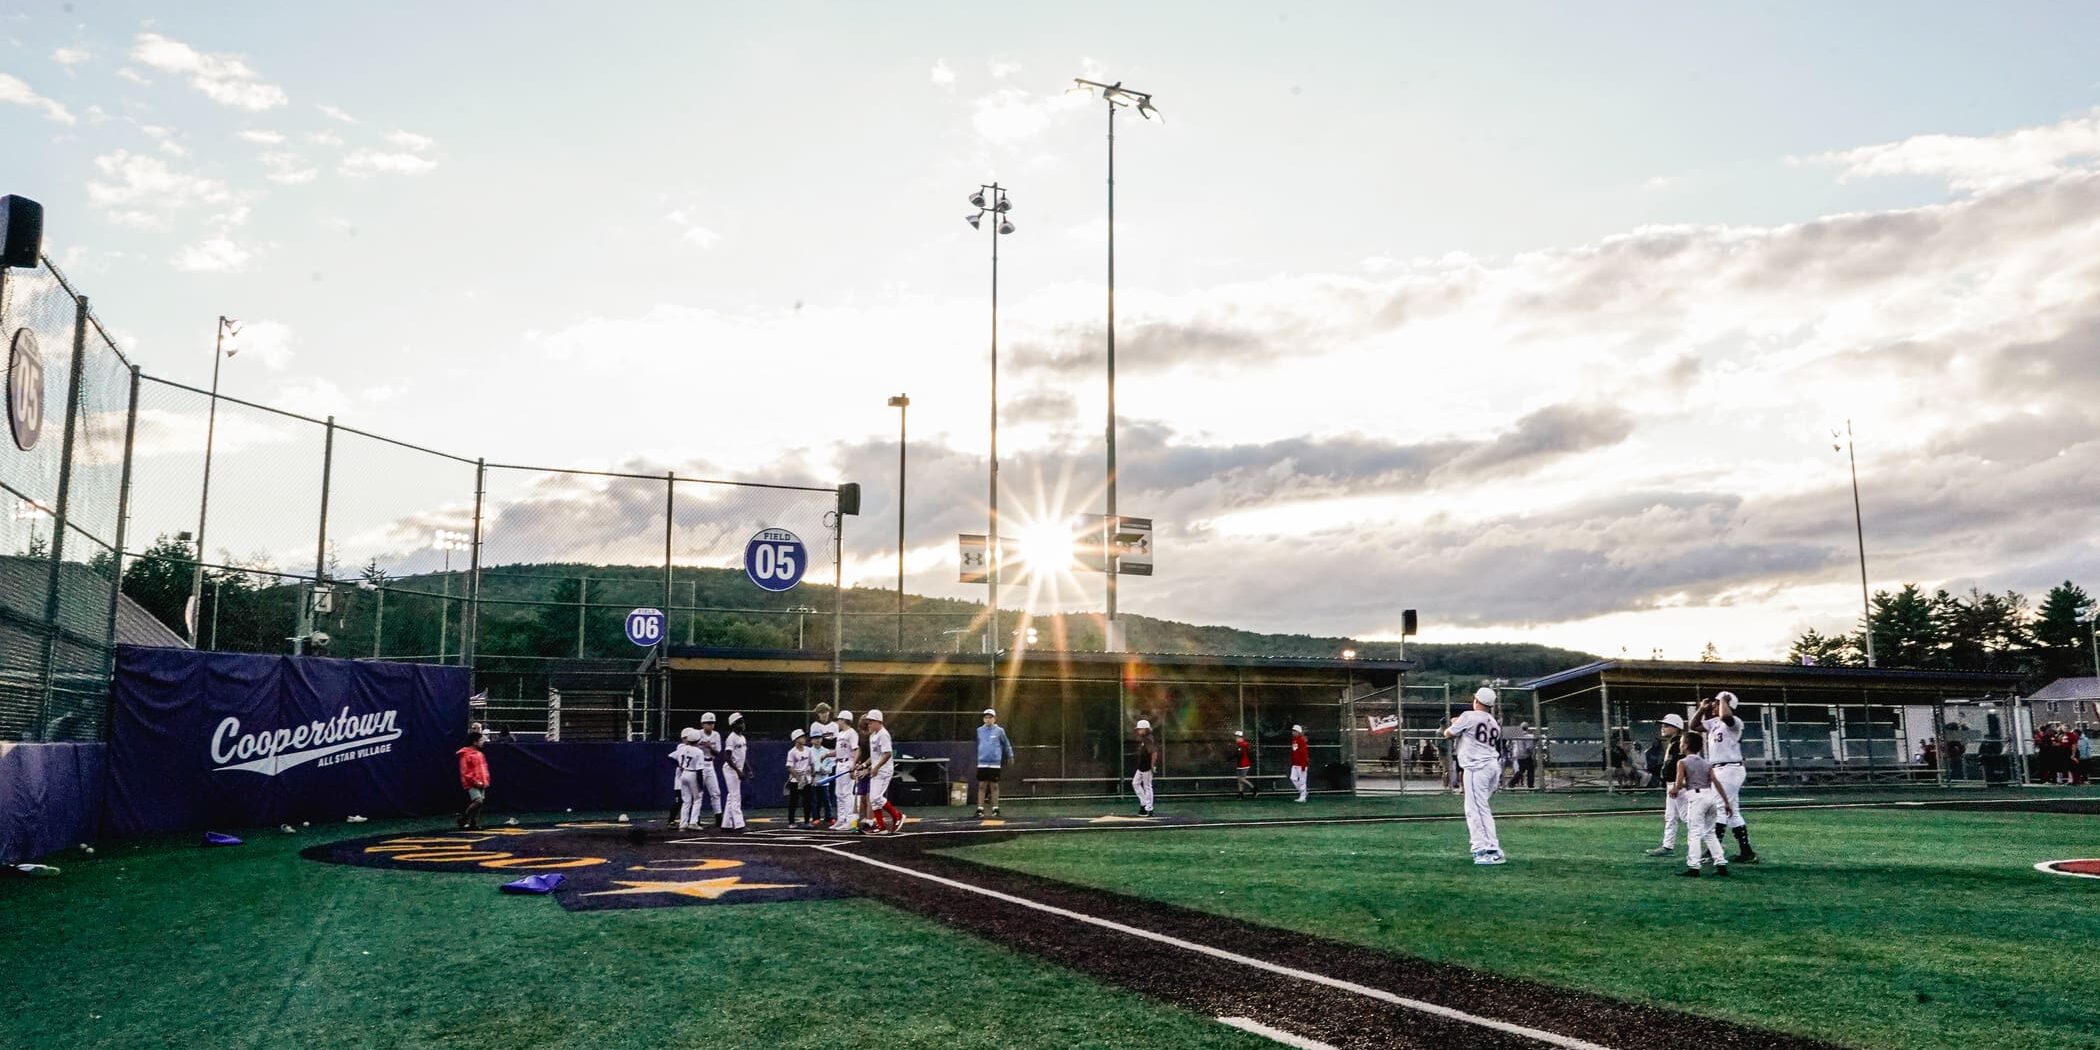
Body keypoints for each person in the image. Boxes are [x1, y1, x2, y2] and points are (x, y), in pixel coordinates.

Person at [1444, 687, 1505, 864]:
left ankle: (1484, 849)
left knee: (1475, 809)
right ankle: (1490, 847)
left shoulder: (1468, 716)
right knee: (1481, 807)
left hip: (1476, 767)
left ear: (1476, 700)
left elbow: (1448, 733)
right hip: (1492, 766)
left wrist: (1454, 722)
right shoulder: (1493, 722)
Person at [1698, 692, 1758, 863]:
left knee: (1719, 809)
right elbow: (1695, 726)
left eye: (1717, 703)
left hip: (1730, 768)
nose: (1714, 705)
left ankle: (1713, 851)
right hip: (1720, 769)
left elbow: (1726, 716)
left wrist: (1723, 699)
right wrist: (1702, 709)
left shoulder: (1735, 722)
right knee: (1733, 812)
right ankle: (1747, 852)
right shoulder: (1715, 722)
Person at [1671, 731, 1734, 878]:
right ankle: (1721, 863)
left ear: (1685, 745)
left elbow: (1679, 783)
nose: (1680, 745)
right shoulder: (1706, 763)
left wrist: (1674, 789)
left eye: (1681, 743)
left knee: (1694, 833)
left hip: (1696, 798)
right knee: (1710, 833)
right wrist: (1726, 802)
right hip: (1710, 796)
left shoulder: (1682, 762)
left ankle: (1694, 866)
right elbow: (1716, 782)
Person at [1643, 714, 1688, 857]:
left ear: (1676, 728)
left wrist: (1678, 785)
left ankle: (1712, 844)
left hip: (1678, 784)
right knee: (1671, 816)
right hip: (1672, 784)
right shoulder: (1673, 743)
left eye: (1667, 725)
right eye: (1663, 725)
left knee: (1687, 817)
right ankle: (1667, 846)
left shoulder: (1679, 743)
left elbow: (1682, 766)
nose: (1663, 728)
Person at [862, 709, 905, 834]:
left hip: (884, 770)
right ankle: (881, 826)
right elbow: (874, 756)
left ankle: (897, 815)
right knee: (873, 799)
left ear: (878, 721)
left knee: (876, 797)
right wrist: (864, 765)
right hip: (876, 770)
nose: (869, 724)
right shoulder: (873, 735)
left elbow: (887, 754)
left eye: (871, 721)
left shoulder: (883, 734)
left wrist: (876, 767)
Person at [975, 708, 1015, 818]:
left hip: (994, 762)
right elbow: (979, 744)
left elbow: (1006, 744)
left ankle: (995, 809)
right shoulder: (979, 730)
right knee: (982, 785)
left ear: (994, 719)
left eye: (990, 717)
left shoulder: (999, 731)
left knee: (994, 786)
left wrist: (1010, 755)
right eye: (986, 717)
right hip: (982, 762)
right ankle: (980, 809)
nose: (988, 719)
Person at [669, 728, 708, 831]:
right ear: (698, 740)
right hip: (693, 774)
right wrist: (701, 785)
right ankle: (693, 822)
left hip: (684, 774)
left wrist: (680, 765)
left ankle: (683, 824)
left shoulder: (682, 748)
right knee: (697, 799)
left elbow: (671, 757)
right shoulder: (699, 752)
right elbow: (699, 770)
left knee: (686, 801)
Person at [717, 713, 750, 832]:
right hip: (731, 770)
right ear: (733, 725)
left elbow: (743, 755)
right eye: (740, 722)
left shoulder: (742, 738)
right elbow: (727, 757)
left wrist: (748, 768)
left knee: (731, 796)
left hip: (737, 769)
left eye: (743, 721)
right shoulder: (732, 737)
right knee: (736, 796)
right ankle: (739, 824)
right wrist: (738, 771)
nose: (743, 724)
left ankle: (726, 825)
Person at [829, 710, 860, 832]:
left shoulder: (852, 733)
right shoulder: (840, 734)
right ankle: (841, 819)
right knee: (839, 793)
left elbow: (856, 749)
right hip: (839, 763)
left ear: (844, 720)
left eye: (839, 720)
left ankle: (849, 821)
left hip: (848, 763)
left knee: (847, 793)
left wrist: (853, 765)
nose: (837, 722)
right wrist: (826, 755)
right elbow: (838, 751)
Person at [692, 712, 725, 828]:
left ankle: (718, 817)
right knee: (698, 793)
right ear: (702, 724)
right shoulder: (697, 734)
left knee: (716, 792)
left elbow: (718, 753)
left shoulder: (716, 735)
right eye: (708, 723)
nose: (710, 725)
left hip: (710, 764)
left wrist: (709, 747)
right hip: (699, 765)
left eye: (712, 723)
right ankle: (696, 819)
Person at [457, 730, 491, 830]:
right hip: (471, 783)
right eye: (481, 740)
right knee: (478, 801)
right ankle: (464, 818)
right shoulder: (466, 754)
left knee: (480, 804)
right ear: (475, 742)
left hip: (481, 782)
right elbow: (465, 770)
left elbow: (484, 768)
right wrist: (475, 781)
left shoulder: (480, 754)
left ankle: (473, 823)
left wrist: (485, 779)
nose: (483, 742)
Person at [785, 727, 816, 828]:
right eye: (802, 737)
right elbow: (789, 767)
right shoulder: (792, 752)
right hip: (795, 780)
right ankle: (791, 822)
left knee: (807, 801)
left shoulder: (808, 750)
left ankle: (807, 821)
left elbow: (812, 763)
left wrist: (813, 776)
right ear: (796, 739)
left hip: (806, 779)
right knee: (793, 801)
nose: (804, 739)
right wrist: (799, 779)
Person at [811, 722, 838, 827]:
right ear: (811, 740)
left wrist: (826, 770)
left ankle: (829, 817)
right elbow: (808, 764)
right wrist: (815, 771)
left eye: (819, 738)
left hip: (824, 780)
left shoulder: (826, 751)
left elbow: (830, 764)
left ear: (822, 739)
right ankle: (816, 817)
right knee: (815, 800)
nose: (817, 740)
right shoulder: (809, 751)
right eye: (815, 738)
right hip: (814, 780)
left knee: (827, 800)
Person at [1132, 718, 1158, 816]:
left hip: (1146, 766)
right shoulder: (1144, 739)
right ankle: (1144, 804)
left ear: (1145, 729)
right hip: (1142, 765)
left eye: (1140, 729)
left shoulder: (1148, 739)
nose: (1138, 731)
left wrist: (1152, 765)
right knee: (1135, 783)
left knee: (1147, 786)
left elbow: (1154, 753)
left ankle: (1149, 808)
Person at [1508, 724, 1538, 790]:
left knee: (1521, 770)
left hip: (1519, 755)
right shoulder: (1528, 736)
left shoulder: (1517, 735)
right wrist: (1531, 752)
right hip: (1526, 755)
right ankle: (1530, 785)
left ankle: (1512, 783)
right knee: (1530, 769)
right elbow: (1528, 747)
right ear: (1527, 728)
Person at [1288, 724, 1311, 803]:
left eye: (1294, 731)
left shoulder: (1301, 740)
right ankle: (1303, 792)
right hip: (1295, 764)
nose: (1293, 732)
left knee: (1302, 780)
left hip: (1301, 764)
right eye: (1293, 731)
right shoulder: (1294, 740)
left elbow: (1304, 753)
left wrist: (1303, 764)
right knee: (1293, 778)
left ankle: (1303, 797)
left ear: (1298, 732)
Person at [1232, 730, 1256, 799]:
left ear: (1240, 737)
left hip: (1244, 764)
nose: (1236, 738)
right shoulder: (1240, 744)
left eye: (1237, 737)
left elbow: (1241, 754)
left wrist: (1232, 757)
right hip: (1240, 764)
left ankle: (1254, 788)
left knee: (1241, 779)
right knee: (1239, 780)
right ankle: (1241, 793)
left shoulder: (1244, 744)